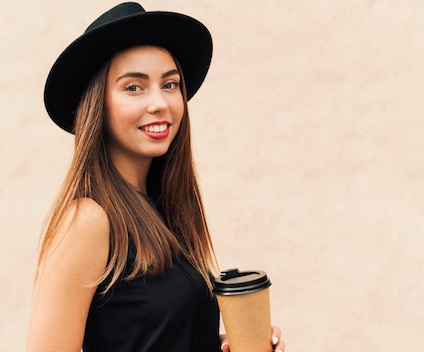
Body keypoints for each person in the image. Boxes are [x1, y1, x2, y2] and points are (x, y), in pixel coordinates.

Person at [26, 3, 286, 351]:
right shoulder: (87, 221)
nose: (159, 102)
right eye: (133, 87)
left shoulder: (165, 211)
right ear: (98, 105)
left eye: (170, 84)